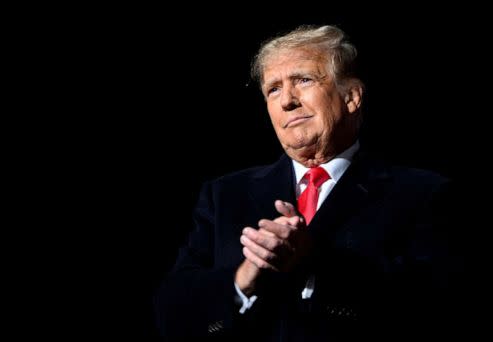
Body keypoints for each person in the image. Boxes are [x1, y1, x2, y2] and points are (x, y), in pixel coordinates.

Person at [154, 24, 464, 340]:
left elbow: (435, 306)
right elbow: (171, 311)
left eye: (303, 80)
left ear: (352, 97)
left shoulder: (422, 194)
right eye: (273, 89)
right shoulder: (224, 195)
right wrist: (243, 278)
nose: (287, 100)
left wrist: (314, 263)